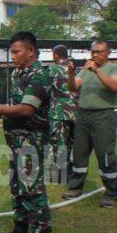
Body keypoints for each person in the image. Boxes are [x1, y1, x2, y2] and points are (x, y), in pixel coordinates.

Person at [0, 31, 53, 233]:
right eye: (11, 52)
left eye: (16, 52)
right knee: (17, 187)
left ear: (30, 51)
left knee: (32, 189)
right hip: (15, 141)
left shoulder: (39, 75)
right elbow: (14, 108)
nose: (12, 56)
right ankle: (20, 230)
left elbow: (27, 109)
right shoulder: (18, 74)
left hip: (31, 141)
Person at [63, 40, 117, 208]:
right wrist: (70, 74)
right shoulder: (86, 69)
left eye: (100, 52)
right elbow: (73, 87)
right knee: (79, 153)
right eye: (93, 52)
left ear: (108, 53)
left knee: (105, 155)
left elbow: (115, 86)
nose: (95, 55)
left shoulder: (114, 68)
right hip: (83, 115)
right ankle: (75, 188)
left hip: (104, 116)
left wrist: (97, 70)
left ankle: (112, 194)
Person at [46, 45, 76, 185]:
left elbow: (45, 88)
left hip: (58, 112)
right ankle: (70, 172)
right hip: (74, 112)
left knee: (56, 143)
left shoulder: (53, 69)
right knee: (70, 143)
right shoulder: (74, 68)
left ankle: (56, 176)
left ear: (56, 55)